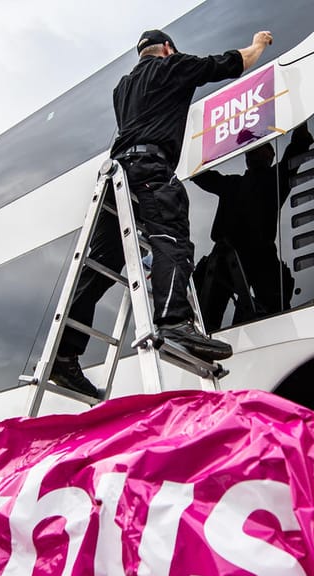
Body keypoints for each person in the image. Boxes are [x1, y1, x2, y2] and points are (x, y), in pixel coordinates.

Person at [49, 28, 275, 399]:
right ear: (168, 48)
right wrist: (258, 43)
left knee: (103, 261)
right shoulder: (173, 67)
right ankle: (174, 320)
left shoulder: (122, 88)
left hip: (117, 177)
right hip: (148, 171)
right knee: (171, 238)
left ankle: (64, 353)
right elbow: (236, 62)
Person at [191, 123, 313, 328]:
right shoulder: (231, 184)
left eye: (257, 148)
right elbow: (197, 173)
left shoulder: (277, 178)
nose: (251, 153)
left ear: (270, 154)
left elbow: (299, 145)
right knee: (205, 320)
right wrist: (198, 136)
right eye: (248, 150)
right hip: (222, 259)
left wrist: (297, 112)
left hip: (260, 257)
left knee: (273, 318)